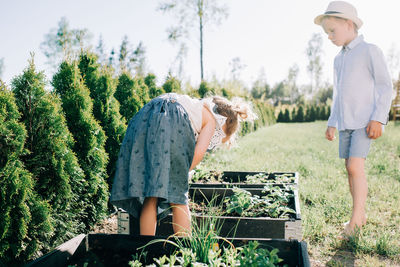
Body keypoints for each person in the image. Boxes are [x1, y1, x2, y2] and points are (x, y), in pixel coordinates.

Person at [110, 92, 256, 236]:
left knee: (151, 193)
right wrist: (182, 174)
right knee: (178, 197)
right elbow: (198, 154)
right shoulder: (212, 121)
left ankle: (146, 250)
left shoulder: (196, 107)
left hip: (148, 113)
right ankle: (185, 251)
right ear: (223, 122)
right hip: (174, 118)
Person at [314, 1, 393, 236]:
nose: (329, 36)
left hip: (364, 121)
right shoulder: (338, 59)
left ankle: (356, 219)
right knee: (350, 170)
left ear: (349, 24)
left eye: (332, 31)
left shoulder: (369, 50)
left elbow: (385, 86)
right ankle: (360, 213)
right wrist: (332, 122)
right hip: (346, 122)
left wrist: (378, 118)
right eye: (327, 32)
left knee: (354, 166)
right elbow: (337, 94)